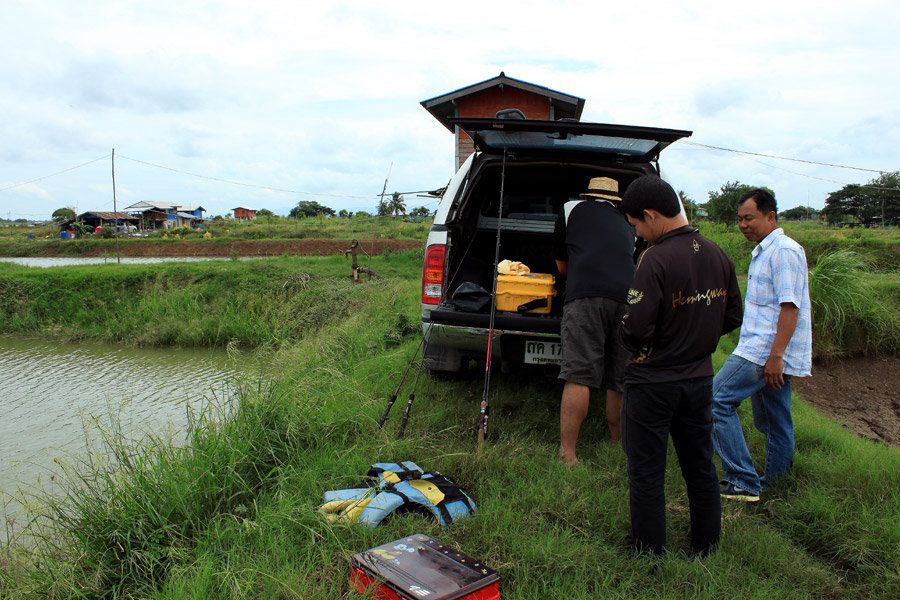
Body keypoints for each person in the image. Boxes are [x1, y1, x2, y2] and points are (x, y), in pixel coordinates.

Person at [619, 175, 742, 557]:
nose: (638, 233)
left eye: (636, 224)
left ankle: (649, 555)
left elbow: (636, 327)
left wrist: (638, 340)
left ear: (651, 215)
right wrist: (695, 338)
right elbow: (733, 315)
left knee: (647, 474)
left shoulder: (655, 258)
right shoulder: (717, 253)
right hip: (698, 380)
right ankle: (706, 547)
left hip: (651, 383)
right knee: (700, 468)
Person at [712, 188, 812, 502]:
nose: (743, 224)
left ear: (770, 216)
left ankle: (742, 480)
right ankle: (774, 486)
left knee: (714, 401)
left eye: (749, 218)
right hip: (767, 351)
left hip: (763, 351)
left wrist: (776, 357)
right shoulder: (765, 250)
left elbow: (790, 307)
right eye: (739, 219)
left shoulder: (783, 250)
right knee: (774, 420)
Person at [552, 176, 635, 465]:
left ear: (586, 197)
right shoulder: (628, 221)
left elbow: (562, 263)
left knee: (579, 374)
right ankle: (617, 446)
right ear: (615, 202)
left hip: (585, 297)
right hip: (627, 299)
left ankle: (569, 454)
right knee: (620, 378)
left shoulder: (569, 209)